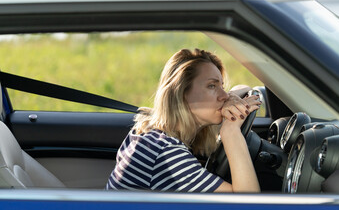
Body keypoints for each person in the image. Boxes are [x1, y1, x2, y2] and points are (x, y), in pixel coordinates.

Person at [106, 48, 261, 192]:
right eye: (212, 86)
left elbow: (244, 87)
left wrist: (233, 97)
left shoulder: (150, 131)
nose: (224, 95)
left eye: (222, 86)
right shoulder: (167, 154)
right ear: (182, 93)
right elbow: (248, 204)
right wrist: (231, 131)